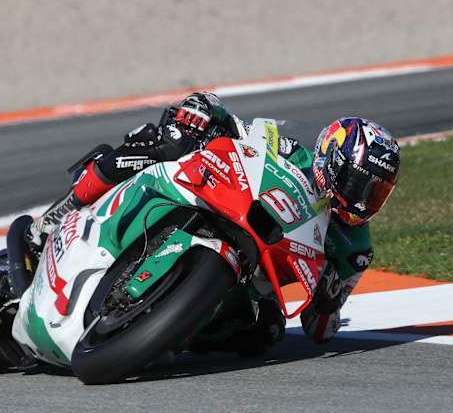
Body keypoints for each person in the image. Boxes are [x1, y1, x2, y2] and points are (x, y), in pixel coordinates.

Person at [28, 92, 400, 348]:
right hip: (226, 205)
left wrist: (330, 299)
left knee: (266, 332)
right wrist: (205, 109)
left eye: (376, 193)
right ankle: (57, 215)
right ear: (332, 160)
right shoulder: (293, 152)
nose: (363, 200)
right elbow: (241, 128)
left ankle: (161, 334)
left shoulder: (356, 248)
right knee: (167, 141)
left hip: (254, 281)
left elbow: (321, 332)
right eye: (359, 185)